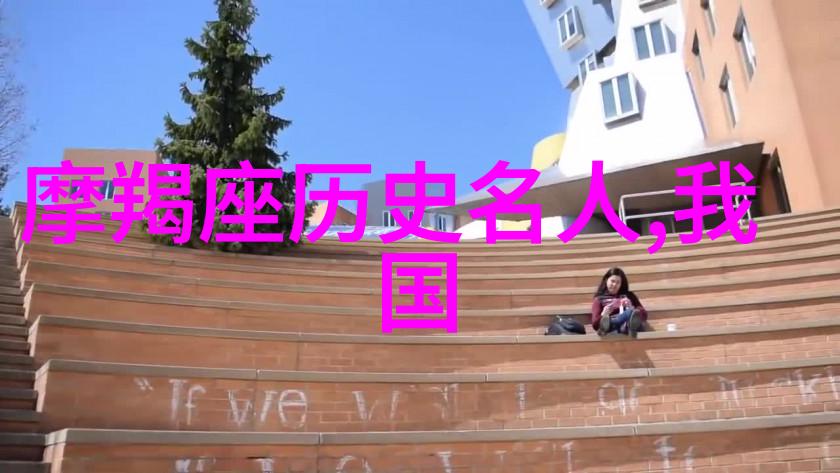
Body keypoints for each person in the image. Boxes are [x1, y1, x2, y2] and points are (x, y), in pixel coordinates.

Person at [591, 267, 647, 338]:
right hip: (612, 328)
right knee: (609, 323)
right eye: (612, 281)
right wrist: (603, 314)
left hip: (629, 324)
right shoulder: (599, 299)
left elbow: (644, 314)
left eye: (618, 282)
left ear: (621, 284)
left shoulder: (629, 295)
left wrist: (631, 307)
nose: (614, 284)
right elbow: (595, 324)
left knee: (631, 313)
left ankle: (613, 325)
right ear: (606, 280)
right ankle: (611, 325)